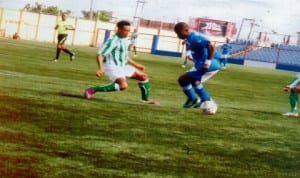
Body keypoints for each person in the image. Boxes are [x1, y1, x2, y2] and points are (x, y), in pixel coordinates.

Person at [84, 20, 158, 105]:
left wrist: (136, 64)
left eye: (129, 31)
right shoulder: (113, 41)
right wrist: (100, 68)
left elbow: (124, 56)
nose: (127, 33)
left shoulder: (125, 40)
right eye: (125, 30)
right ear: (119, 29)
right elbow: (100, 55)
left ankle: (145, 100)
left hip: (122, 66)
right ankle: (92, 89)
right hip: (112, 66)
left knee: (143, 76)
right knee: (123, 86)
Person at [174, 22, 221, 108]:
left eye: (179, 33)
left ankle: (205, 100)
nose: (178, 36)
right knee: (189, 80)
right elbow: (188, 44)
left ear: (186, 30)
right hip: (201, 64)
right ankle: (199, 100)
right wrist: (188, 53)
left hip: (210, 63)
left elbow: (211, 47)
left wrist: (207, 63)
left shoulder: (195, 38)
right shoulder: (188, 38)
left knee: (184, 79)